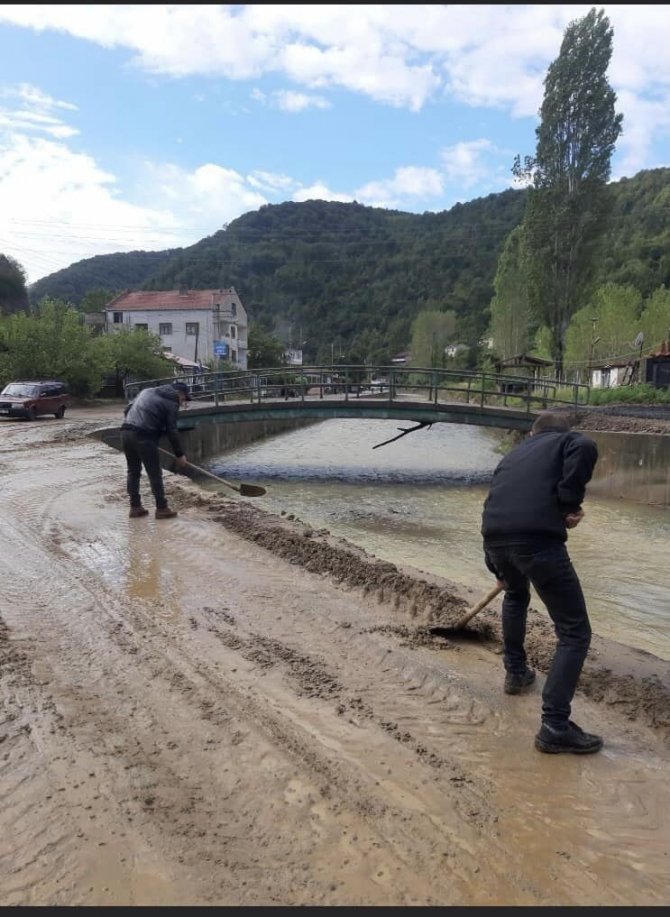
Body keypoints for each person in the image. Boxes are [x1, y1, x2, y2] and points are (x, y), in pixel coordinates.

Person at [481, 410, 602, 755]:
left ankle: (516, 673)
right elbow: (587, 445)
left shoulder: (511, 456)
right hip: (537, 541)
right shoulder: (569, 440)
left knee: (516, 597)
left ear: (532, 435)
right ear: (559, 433)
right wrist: (568, 505)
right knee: (575, 632)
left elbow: (491, 503)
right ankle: (554, 726)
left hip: (496, 539)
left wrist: (494, 562)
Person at [120, 380, 191, 519]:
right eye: (184, 398)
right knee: (154, 473)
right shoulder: (172, 401)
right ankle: (162, 508)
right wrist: (179, 454)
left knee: (133, 471)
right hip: (144, 434)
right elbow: (172, 430)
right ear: (179, 393)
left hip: (126, 431)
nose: (183, 402)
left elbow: (127, 410)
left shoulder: (147, 391)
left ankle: (135, 507)